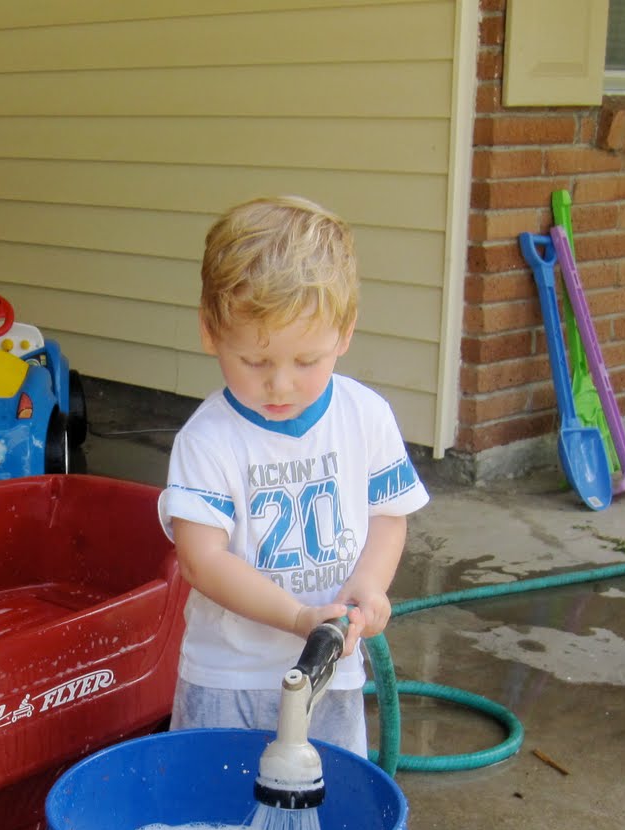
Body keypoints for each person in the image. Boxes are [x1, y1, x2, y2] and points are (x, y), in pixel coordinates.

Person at [157, 195, 430, 756]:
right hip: (228, 676)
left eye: (307, 361)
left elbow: (388, 516)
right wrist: (298, 617)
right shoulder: (208, 440)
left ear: (345, 333)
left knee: (327, 814)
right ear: (211, 333)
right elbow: (200, 558)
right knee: (214, 815)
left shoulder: (365, 417)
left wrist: (370, 584)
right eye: (255, 362)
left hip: (332, 675)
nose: (279, 385)